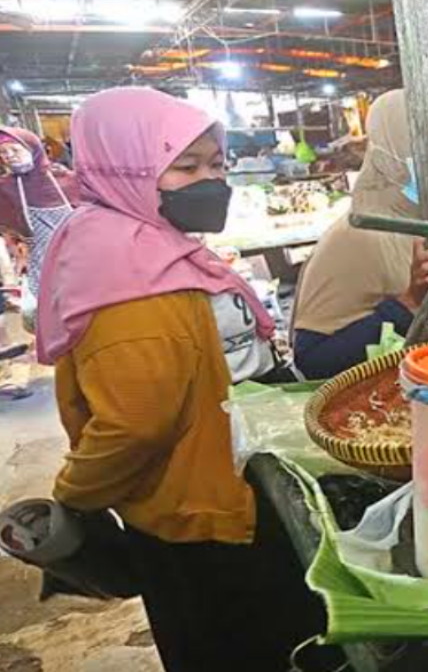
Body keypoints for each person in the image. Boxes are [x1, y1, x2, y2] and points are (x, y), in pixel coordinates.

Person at [37, 87, 330, 671]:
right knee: (244, 643)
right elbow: (138, 422)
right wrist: (75, 495)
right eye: (186, 166)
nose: (211, 181)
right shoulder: (129, 276)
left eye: (217, 164)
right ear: (125, 168)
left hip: (232, 475)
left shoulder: (154, 244)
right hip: (201, 510)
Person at [292, 89, 428, 380]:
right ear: (390, 150)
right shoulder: (356, 235)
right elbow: (312, 362)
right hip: (391, 410)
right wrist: (407, 305)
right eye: (427, 145)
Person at [0, 126, 77, 331]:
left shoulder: (63, 178)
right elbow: (9, 228)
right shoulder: (5, 187)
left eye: (15, 151)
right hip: (38, 257)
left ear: (33, 149)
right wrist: (16, 247)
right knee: (49, 307)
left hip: (75, 253)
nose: (9, 157)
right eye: (3, 153)